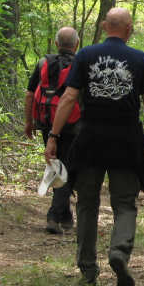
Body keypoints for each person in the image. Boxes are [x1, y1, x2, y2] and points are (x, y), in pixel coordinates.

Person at [44, 8, 144, 286]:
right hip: (126, 140)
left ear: (105, 26)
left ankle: (87, 268)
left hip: (90, 137)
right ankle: (118, 251)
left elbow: (69, 97)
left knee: (87, 204)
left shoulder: (85, 55)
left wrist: (53, 136)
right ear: (129, 29)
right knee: (124, 204)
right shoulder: (140, 58)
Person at [25, 27, 82, 235]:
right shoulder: (79, 64)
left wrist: (29, 122)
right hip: (70, 124)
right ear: (77, 44)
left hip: (46, 121)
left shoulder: (44, 62)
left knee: (56, 166)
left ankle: (65, 215)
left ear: (56, 44)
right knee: (64, 169)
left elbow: (31, 94)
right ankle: (54, 216)